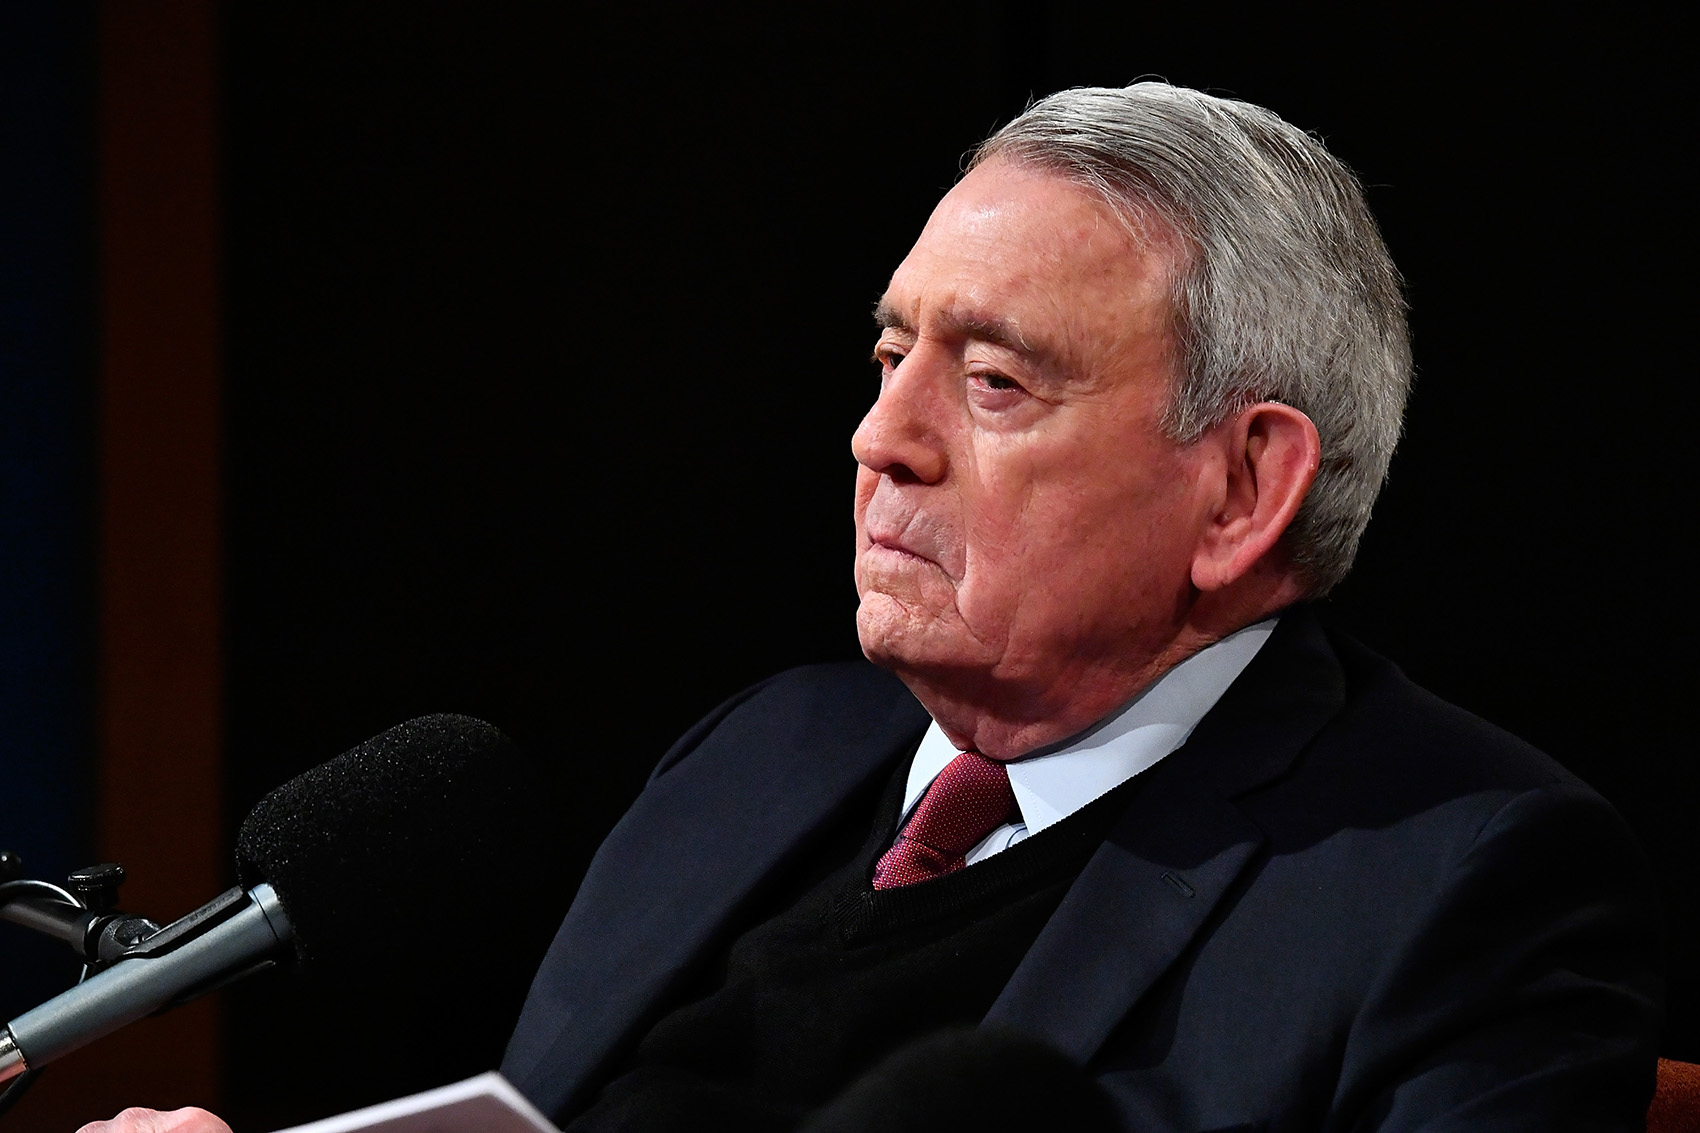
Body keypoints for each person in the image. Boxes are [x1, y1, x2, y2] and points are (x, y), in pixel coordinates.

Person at [84, 82, 1662, 1133]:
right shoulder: (759, 758)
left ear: (1242, 488)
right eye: (888, 356)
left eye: (993, 379)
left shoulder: (1460, 879)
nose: (882, 439)